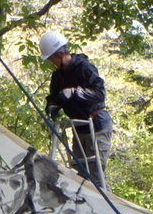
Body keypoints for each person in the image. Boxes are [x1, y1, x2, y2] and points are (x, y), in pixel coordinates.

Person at [39, 30, 113, 188]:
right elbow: (54, 97)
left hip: (97, 124)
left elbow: (100, 93)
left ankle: (107, 202)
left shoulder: (84, 68)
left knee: (95, 175)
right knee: (81, 176)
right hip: (79, 128)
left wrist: (75, 92)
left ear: (60, 54)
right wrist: (51, 106)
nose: (51, 63)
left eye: (52, 59)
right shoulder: (57, 77)